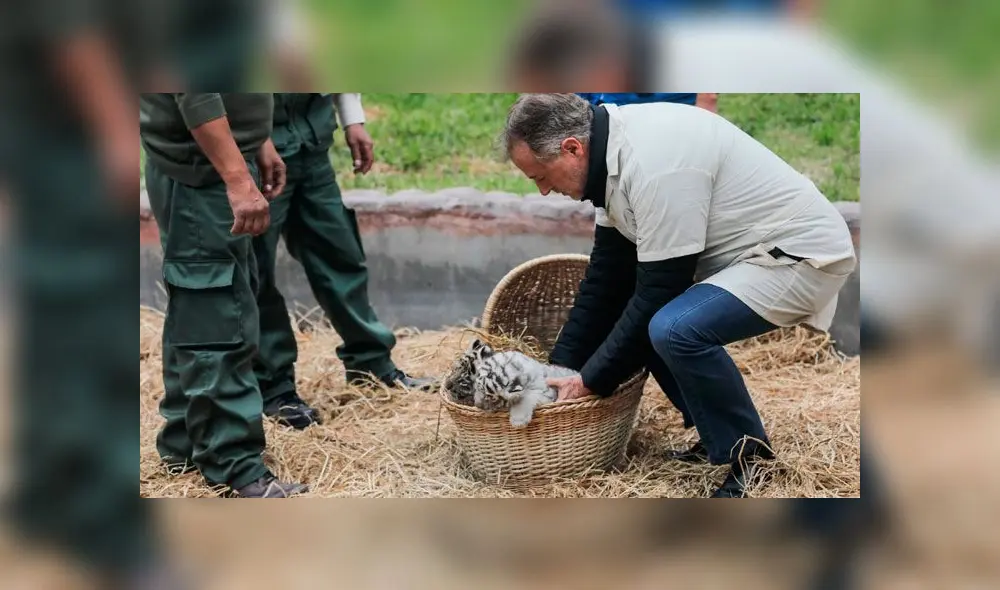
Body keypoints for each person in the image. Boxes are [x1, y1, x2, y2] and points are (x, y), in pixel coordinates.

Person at [500, 93, 856, 498]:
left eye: (540, 176)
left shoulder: (654, 165)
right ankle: (716, 434)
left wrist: (588, 382)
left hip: (799, 256)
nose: (544, 191)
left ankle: (749, 458)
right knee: (647, 321)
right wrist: (558, 374)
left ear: (572, 148)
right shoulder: (609, 156)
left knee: (672, 327)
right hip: (754, 256)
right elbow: (605, 281)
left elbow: (658, 293)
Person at [140, 93, 308, 499]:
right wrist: (236, 174)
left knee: (202, 305)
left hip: (212, 158)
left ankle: (184, 441)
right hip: (203, 170)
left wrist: (256, 142)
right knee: (217, 317)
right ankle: (234, 466)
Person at [253, 93, 434, 430]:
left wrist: (353, 118)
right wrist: (257, 137)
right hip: (259, 150)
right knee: (256, 273)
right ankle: (273, 387)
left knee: (340, 254)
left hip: (311, 142)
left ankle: (372, 367)